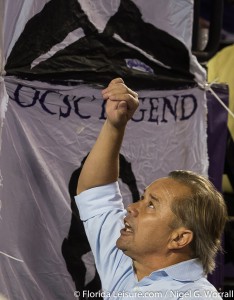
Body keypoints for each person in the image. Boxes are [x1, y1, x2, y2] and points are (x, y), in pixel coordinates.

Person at [75, 78, 227, 299]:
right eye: (143, 198)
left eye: (151, 205)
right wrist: (115, 125)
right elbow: (95, 193)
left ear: (179, 238)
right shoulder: (127, 264)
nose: (132, 208)